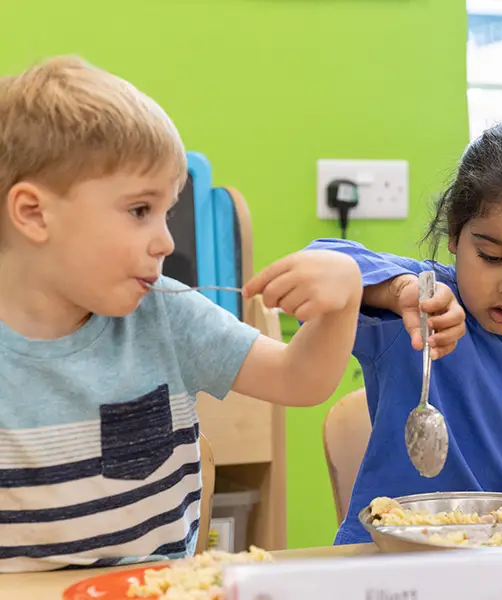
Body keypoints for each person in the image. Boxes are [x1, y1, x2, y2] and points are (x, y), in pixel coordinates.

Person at [0, 56, 362, 571]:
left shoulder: (165, 313)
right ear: (35, 213)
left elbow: (299, 380)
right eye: (139, 211)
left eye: (166, 212)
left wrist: (343, 298)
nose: (166, 241)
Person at [308, 119, 502, 545]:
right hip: (394, 559)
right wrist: (398, 292)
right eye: (491, 256)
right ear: (454, 232)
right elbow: (316, 266)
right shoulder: (420, 304)